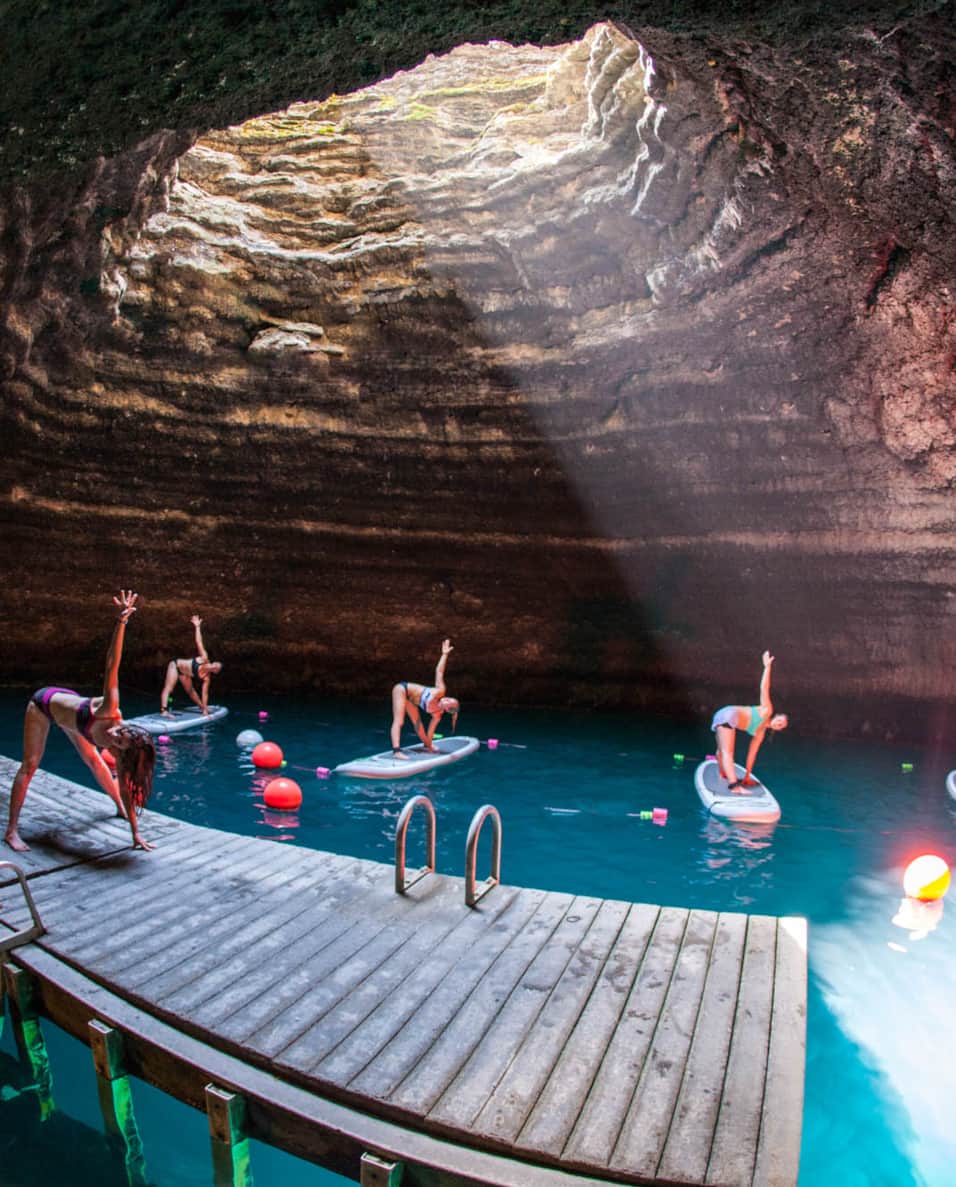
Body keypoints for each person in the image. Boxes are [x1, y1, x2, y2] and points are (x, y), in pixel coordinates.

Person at [5, 591, 156, 852]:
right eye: (121, 731)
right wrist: (121, 623)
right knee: (30, 766)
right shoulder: (110, 709)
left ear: (122, 750)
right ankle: (11, 831)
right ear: (126, 724)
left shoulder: (119, 752)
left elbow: (127, 788)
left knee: (95, 762)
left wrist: (135, 834)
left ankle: (117, 810)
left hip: (75, 718)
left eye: (118, 741)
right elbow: (112, 665)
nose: (115, 734)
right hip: (44, 704)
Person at [711, 650, 788, 791]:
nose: (779, 723)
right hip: (728, 714)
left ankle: (723, 773)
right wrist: (767, 667)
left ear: (779, 729)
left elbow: (752, 755)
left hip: (721, 717)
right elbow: (764, 688)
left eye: (781, 725)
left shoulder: (760, 734)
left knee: (721, 751)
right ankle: (734, 786)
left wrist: (747, 776)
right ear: (775, 716)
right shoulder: (767, 710)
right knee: (728, 752)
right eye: (779, 720)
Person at [390, 639, 460, 758]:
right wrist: (444, 654)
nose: (446, 698)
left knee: (419, 726)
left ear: (448, 710)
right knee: (400, 721)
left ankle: (427, 746)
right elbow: (439, 672)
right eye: (449, 698)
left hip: (411, 701)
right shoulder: (440, 691)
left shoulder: (437, 714)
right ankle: (396, 751)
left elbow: (430, 731)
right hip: (402, 689)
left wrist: (429, 745)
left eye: (448, 701)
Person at [160, 614, 222, 716]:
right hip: (175, 666)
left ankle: (202, 707)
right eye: (215, 663)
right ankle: (164, 710)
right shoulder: (204, 658)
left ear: (215, 671)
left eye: (216, 667)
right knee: (169, 687)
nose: (214, 665)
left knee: (190, 690)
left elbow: (204, 694)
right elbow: (199, 642)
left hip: (185, 674)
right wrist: (197, 627)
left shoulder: (207, 678)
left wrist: (205, 708)